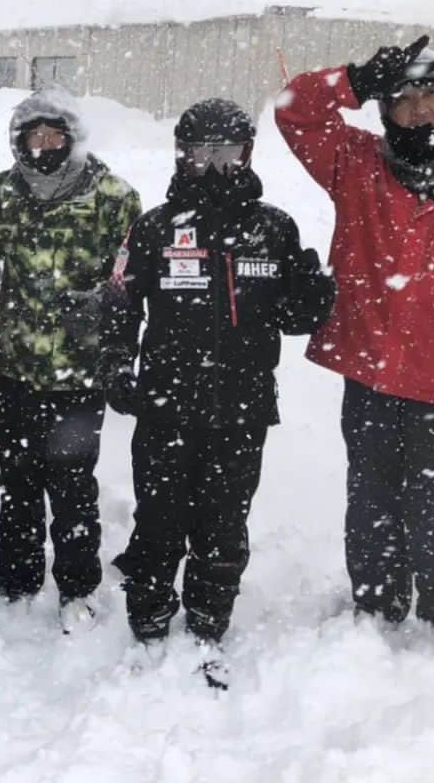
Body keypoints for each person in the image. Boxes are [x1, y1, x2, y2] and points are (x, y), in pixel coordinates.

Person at [102, 99, 335, 686]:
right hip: (165, 403)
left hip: (241, 406)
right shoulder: (155, 226)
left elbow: (294, 315)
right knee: (159, 517)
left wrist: (311, 291)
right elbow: (121, 303)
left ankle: (209, 620)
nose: (211, 166)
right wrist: (115, 364)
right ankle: (150, 619)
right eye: (199, 153)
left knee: (223, 520)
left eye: (224, 153)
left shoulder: (273, 227)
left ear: (246, 154)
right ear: (181, 155)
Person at [276, 35, 434, 629]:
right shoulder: (358, 164)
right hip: (370, 369)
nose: (419, 109)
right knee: (372, 498)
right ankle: (378, 606)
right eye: (403, 99)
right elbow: (293, 111)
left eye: (432, 96)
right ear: (384, 112)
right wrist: (355, 81)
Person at [0, 87, 141, 632]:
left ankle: (78, 589)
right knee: (19, 485)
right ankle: (15, 585)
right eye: (33, 136)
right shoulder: (3, 193)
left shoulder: (113, 197)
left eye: (54, 136)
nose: (43, 145)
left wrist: (105, 320)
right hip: (16, 368)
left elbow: (132, 280)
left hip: (79, 374)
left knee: (71, 487)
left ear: (72, 139)